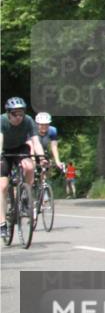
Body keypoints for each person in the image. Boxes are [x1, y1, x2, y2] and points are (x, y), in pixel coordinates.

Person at [1, 98, 47, 240]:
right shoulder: (2, 121)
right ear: (8, 113)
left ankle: (26, 195)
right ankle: (2, 223)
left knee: (29, 166)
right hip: (5, 150)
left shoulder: (28, 121)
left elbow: (35, 141)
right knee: (2, 186)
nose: (19, 117)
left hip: (20, 148)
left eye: (21, 114)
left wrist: (42, 157)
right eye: (15, 114)